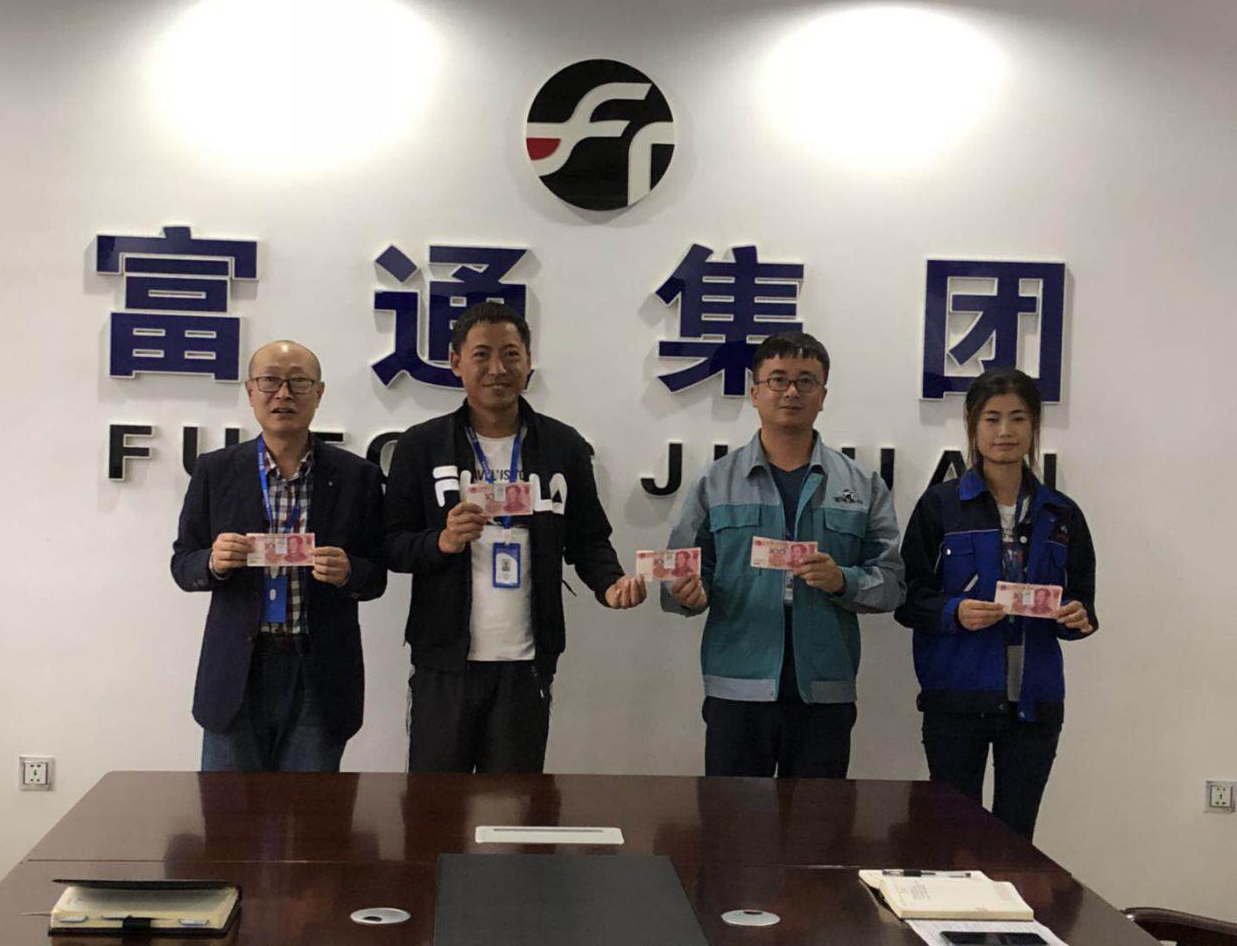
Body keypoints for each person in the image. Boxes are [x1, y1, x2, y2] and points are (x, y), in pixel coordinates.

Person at [383, 301, 646, 773]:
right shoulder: (422, 445)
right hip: (444, 660)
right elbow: (392, 544)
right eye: (481, 355)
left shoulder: (563, 446)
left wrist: (610, 584)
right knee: (435, 803)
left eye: (511, 354)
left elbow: (588, 538)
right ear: (455, 363)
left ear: (528, 362)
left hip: (528, 661)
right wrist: (442, 542)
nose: (498, 369)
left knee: (513, 802)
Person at [662, 331, 904, 778]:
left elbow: (891, 583)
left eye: (806, 381)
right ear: (755, 392)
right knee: (732, 818)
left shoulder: (862, 485)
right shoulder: (716, 482)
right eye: (778, 379)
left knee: (818, 821)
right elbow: (682, 573)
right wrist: (686, 594)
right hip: (736, 688)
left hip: (824, 690)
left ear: (823, 396)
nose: (791, 391)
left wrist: (843, 580)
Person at [894, 367, 1097, 840]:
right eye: (992, 418)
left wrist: (1075, 616)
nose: (1005, 431)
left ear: (1034, 426)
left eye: (1018, 418)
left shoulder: (1061, 513)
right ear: (972, 425)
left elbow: (1083, 603)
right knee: (950, 839)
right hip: (956, 698)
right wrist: (954, 612)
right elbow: (908, 598)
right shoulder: (940, 506)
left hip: (1035, 703)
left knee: (1016, 840)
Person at [171, 340, 386, 772]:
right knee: (228, 808)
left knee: (310, 809)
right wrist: (212, 562)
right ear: (251, 391)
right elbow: (183, 562)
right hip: (237, 670)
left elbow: (376, 574)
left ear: (319, 393)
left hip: (319, 670)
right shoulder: (216, 470)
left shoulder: (355, 476)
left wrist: (348, 572)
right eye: (270, 381)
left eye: (299, 382)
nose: (283, 394)